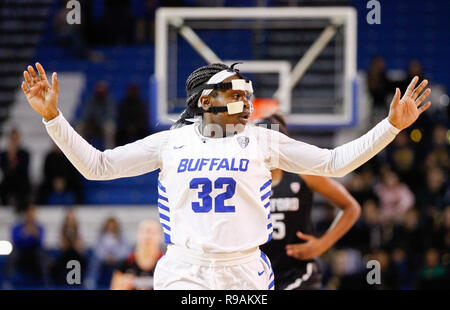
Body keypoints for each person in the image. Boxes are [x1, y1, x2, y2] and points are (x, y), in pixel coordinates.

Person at [21, 62, 431, 290]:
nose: (247, 102)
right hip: (184, 269)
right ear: (205, 100)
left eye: (248, 96)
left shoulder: (263, 140)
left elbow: (334, 163)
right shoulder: (170, 142)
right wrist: (54, 118)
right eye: (236, 95)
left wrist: (390, 126)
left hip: (245, 270)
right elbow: (98, 167)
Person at [258, 114, 361, 290]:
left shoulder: (303, 174)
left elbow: (351, 207)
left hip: (299, 273)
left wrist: (322, 244)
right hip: (258, 274)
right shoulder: (244, 179)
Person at [110, 219, 164, 290]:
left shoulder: (166, 264)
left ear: (160, 237)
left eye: (153, 233)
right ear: (138, 235)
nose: (148, 236)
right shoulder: (126, 263)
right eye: (145, 231)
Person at [0, 128, 31, 212]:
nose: (14, 141)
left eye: (16, 139)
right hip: (9, 180)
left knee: (24, 185)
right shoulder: (3, 154)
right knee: (3, 186)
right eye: (12, 139)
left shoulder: (25, 153)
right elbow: (4, 170)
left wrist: (14, 160)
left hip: (21, 180)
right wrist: (10, 158)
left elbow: (24, 169)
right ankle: (4, 208)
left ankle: (22, 207)